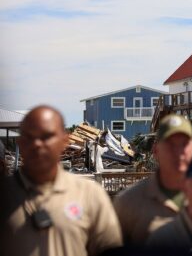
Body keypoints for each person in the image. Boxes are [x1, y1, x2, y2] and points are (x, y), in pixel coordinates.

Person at [0, 105, 122, 256]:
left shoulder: (90, 195)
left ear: (64, 141)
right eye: (30, 136)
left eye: (46, 136)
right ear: (20, 142)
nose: (38, 144)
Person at [113, 114, 192, 245]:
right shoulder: (129, 202)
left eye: (184, 144)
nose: (178, 151)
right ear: (155, 151)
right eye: (170, 144)